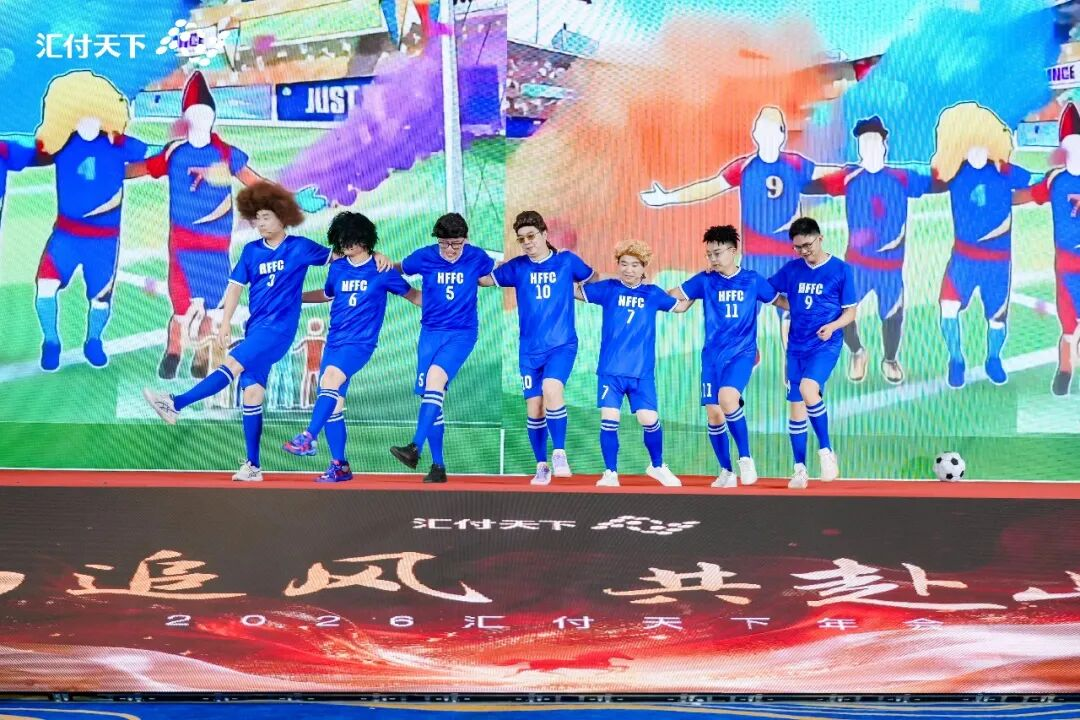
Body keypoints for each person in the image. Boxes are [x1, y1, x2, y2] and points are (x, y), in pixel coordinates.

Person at [142, 182, 340, 481]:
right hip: (256, 328)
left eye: (266, 217)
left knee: (232, 364)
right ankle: (253, 466)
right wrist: (224, 323)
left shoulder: (299, 247)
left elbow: (338, 258)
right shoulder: (251, 251)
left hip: (278, 330)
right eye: (257, 218)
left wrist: (369, 254)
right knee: (252, 393)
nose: (260, 224)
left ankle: (175, 403)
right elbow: (234, 288)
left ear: (282, 217)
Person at [283, 211, 421, 482]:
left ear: (365, 240)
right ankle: (340, 466)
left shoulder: (382, 271)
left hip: (359, 344)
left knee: (330, 381)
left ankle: (308, 437)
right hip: (334, 342)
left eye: (351, 239)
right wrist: (296, 297)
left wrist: (450, 304)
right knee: (333, 404)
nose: (345, 244)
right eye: (341, 239)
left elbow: (415, 297)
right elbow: (327, 295)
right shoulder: (338, 267)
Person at [804, 116, 934, 384]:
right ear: (859, 148)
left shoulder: (902, 177)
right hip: (857, 265)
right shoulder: (849, 177)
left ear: (885, 145)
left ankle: (890, 359)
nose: (869, 147)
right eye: (864, 143)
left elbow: (938, 182)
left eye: (874, 142)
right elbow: (810, 185)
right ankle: (857, 352)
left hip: (890, 268)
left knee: (892, 315)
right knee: (838, 310)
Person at [33, 70, 149, 371]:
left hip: (104, 241)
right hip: (66, 236)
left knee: (100, 298)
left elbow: (154, 155)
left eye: (95, 112)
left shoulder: (119, 144)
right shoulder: (61, 144)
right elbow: (27, 150)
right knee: (45, 286)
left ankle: (93, 341)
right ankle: (51, 342)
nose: (88, 119)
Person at [480, 210, 597, 485]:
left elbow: (592, 279)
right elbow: (483, 280)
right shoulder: (517, 267)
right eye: (521, 239)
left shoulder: (567, 261)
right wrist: (475, 260)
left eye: (531, 236)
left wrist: (578, 292)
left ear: (544, 234)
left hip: (561, 345)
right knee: (534, 409)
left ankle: (559, 453)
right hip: (529, 351)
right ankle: (541, 465)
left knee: (552, 389)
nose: (527, 242)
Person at [670, 225, 788, 488]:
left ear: (733, 251)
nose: (712, 259)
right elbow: (674, 298)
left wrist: (812, 312)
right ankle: (726, 471)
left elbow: (780, 301)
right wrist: (648, 296)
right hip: (712, 358)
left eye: (718, 253)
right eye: (709, 254)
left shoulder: (752, 280)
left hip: (742, 353)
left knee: (727, 398)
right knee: (714, 414)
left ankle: (745, 458)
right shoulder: (704, 280)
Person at [932, 102, 1033, 389]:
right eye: (969, 143)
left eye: (981, 142)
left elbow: (1038, 181)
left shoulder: (1004, 171)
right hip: (963, 259)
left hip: (997, 263)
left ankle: (993, 359)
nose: (976, 150)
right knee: (948, 307)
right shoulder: (953, 173)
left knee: (996, 319)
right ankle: (956, 360)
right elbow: (919, 177)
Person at [389, 213, 495, 484]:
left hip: (461, 334)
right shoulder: (424, 256)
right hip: (430, 333)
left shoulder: (477, 256)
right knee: (432, 395)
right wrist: (379, 263)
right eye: (444, 243)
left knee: (435, 379)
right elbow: (398, 268)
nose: (450, 249)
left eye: (456, 244)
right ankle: (438, 467)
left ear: (465, 240)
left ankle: (415, 447)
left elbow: (494, 274)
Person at [578, 240, 689, 488]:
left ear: (644, 268)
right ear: (618, 265)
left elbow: (681, 307)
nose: (628, 269)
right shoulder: (608, 289)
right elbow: (576, 292)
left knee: (649, 420)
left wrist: (701, 287)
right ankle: (610, 473)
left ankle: (657, 466)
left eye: (635, 265)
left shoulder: (653, 294)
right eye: (624, 264)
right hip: (611, 371)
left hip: (641, 373)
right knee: (609, 418)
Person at [769, 217, 857, 489]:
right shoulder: (792, 269)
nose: (804, 251)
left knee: (808, 389)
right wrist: (787, 304)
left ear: (820, 238)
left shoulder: (841, 270)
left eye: (808, 245)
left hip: (824, 344)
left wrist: (833, 326)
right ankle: (800, 469)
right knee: (796, 407)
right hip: (796, 346)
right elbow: (768, 292)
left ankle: (826, 451)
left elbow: (850, 312)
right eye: (798, 247)